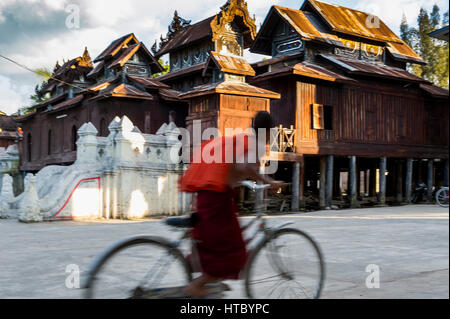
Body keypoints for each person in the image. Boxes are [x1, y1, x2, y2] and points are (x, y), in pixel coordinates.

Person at [179, 111, 283, 297]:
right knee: (235, 251)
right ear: (268, 131)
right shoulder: (256, 144)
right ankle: (200, 284)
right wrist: (269, 181)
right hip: (216, 199)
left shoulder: (243, 140)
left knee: (214, 241)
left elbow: (234, 169)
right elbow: (245, 167)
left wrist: (243, 181)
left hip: (207, 195)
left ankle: (210, 279)